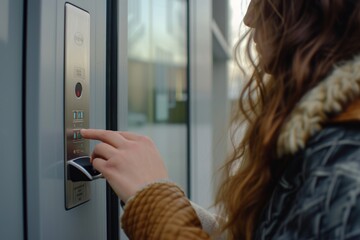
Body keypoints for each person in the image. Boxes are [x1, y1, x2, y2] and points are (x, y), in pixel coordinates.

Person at [80, 0, 360, 239]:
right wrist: (157, 197)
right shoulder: (326, 136)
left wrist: (155, 202)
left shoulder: (345, 157)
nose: (249, 19)